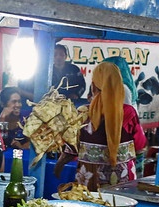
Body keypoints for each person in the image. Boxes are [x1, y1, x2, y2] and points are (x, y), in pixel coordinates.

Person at [55, 62, 147, 190]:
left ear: (93, 86)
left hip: (88, 181)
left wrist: (58, 166)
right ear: (119, 86)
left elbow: (71, 148)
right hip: (122, 183)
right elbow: (140, 145)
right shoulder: (129, 113)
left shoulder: (83, 113)